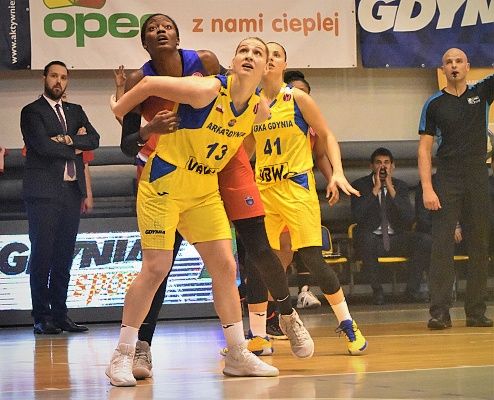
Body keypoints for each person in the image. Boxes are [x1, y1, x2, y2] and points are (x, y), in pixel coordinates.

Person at [116, 15, 313, 382]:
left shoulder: (251, 101)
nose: (250, 56)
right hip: (169, 175)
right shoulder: (202, 87)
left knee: (231, 261)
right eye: (244, 51)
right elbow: (137, 115)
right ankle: (131, 349)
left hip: (211, 174)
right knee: (158, 267)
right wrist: (126, 113)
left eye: (258, 53)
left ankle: (255, 338)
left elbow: (252, 121)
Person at [247, 41, 368, 356]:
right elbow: (245, 149)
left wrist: (337, 172)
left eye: (276, 54)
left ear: (284, 64)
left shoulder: (297, 98)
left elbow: (327, 135)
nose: (270, 58)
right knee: (260, 262)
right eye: (265, 54)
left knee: (313, 259)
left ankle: (348, 324)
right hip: (264, 190)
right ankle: (258, 336)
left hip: (296, 187)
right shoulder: (251, 103)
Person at [20, 60, 100, 335]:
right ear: (44, 78)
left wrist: (65, 140)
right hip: (43, 193)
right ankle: (41, 317)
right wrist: (76, 144)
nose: (58, 81)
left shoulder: (75, 110)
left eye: (63, 77)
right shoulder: (32, 111)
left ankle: (60, 314)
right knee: (42, 255)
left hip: (70, 192)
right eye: (54, 76)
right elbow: (42, 147)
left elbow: (94, 139)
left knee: (64, 256)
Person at [418, 47, 493, 329]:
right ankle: (439, 312)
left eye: (459, 61)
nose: (454, 65)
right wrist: (427, 188)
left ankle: (476, 311)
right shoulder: (434, 104)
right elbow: (424, 149)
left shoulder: (482, 93)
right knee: (442, 245)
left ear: (467, 66)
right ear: (443, 69)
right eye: (448, 62)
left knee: (479, 244)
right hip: (447, 177)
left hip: (477, 175)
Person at [351, 147, 429, 305]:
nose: (383, 166)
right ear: (371, 166)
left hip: (396, 238)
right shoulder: (359, 185)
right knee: (365, 238)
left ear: (392, 166)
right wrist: (375, 190)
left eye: (386, 163)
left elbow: (409, 217)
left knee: (425, 240)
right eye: (378, 163)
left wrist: (392, 190)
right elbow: (357, 216)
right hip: (372, 238)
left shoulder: (401, 186)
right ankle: (377, 291)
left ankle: (412, 291)